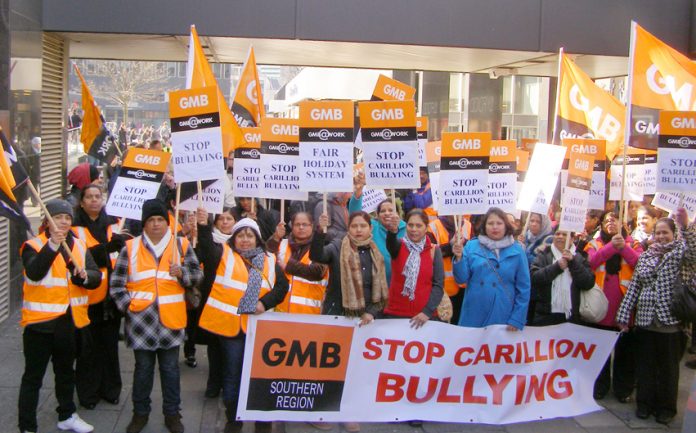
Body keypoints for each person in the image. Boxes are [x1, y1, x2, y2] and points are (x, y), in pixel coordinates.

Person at [110, 199, 203, 433]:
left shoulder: (180, 245)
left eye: (160, 219)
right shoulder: (130, 248)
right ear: (144, 223)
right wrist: (128, 306)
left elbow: (197, 275)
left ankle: (172, 414)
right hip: (141, 322)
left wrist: (182, 273)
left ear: (167, 221)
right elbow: (117, 285)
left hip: (171, 321)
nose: (156, 224)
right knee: (142, 371)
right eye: (151, 220)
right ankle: (140, 414)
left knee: (170, 370)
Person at [197, 218, 288, 433]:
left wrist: (264, 303)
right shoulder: (223, 255)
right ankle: (234, 419)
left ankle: (262, 422)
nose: (245, 240)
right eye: (240, 235)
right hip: (232, 329)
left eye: (249, 235)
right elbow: (206, 247)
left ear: (257, 239)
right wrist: (203, 226)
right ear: (233, 239)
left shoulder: (269, 259)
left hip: (260, 330)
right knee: (233, 375)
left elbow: (283, 287)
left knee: (260, 377)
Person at [18, 199, 102, 433]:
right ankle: (27, 426)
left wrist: (85, 277)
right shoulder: (32, 245)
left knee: (66, 372)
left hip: (69, 323)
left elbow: (96, 276)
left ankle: (67, 415)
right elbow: (35, 273)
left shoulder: (79, 246)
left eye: (67, 218)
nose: (64, 221)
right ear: (47, 221)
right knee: (33, 378)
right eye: (58, 217)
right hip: (40, 325)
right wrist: (52, 246)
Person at [309, 211, 387, 433]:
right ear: (348, 228)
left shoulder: (375, 251)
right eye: (354, 226)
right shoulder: (336, 247)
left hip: (362, 319)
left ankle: (347, 412)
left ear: (370, 228)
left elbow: (378, 288)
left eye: (363, 226)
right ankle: (323, 409)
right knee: (330, 366)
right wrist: (318, 232)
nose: (359, 230)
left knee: (354, 368)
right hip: (336, 314)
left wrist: (371, 312)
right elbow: (317, 255)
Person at [616, 209, 696, 424]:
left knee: (668, 370)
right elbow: (634, 287)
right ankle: (645, 404)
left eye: (665, 233)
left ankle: (666, 408)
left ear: (673, 234)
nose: (661, 237)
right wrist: (624, 315)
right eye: (658, 233)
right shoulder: (645, 256)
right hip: (645, 322)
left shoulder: (680, 253)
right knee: (646, 367)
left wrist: (685, 226)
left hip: (669, 323)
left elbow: (694, 253)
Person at [71, 185, 129, 410]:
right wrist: (106, 250)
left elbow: (119, 257)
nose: (95, 200)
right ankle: (88, 393)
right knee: (87, 350)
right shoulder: (74, 228)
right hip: (86, 298)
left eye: (98, 196)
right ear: (82, 202)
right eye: (89, 197)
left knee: (109, 347)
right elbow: (79, 258)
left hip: (110, 297)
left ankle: (111, 389)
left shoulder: (114, 224)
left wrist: (117, 247)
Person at [585, 210, 642, 403]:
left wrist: (623, 248)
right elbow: (591, 262)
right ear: (601, 225)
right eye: (607, 220)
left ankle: (623, 389)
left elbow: (640, 263)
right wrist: (611, 247)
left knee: (625, 353)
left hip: (625, 308)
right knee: (600, 352)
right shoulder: (594, 243)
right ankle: (599, 387)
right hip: (600, 308)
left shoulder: (633, 244)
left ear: (623, 223)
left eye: (615, 219)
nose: (611, 223)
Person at [452, 207, 530, 330]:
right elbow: (461, 278)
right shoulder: (472, 246)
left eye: (499, 223)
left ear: (506, 226)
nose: (495, 227)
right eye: (490, 223)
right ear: (484, 226)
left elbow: (524, 288)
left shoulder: (517, 251)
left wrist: (517, 319)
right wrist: (459, 258)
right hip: (474, 314)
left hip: (503, 313)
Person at [190, 207, 236, 399]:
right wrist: (203, 226)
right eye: (221, 219)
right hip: (214, 303)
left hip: (234, 305)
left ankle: (229, 384)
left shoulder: (242, 242)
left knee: (230, 349)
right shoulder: (211, 243)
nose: (225, 222)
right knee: (214, 347)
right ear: (215, 223)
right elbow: (205, 249)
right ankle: (213, 384)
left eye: (229, 218)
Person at [383, 209, 444, 326]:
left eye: (418, 225)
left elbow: (438, 285)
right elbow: (390, 243)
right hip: (396, 315)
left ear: (426, 228)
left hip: (425, 317)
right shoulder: (398, 246)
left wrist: (427, 312)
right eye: (410, 225)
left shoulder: (434, 251)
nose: (414, 229)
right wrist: (392, 231)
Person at [267, 212, 329, 314]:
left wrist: (288, 266)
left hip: (309, 315)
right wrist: (275, 238)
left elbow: (318, 271)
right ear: (292, 226)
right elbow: (266, 257)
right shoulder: (282, 244)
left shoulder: (320, 248)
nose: (301, 227)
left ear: (312, 226)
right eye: (297, 224)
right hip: (280, 314)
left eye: (305, 224)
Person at [530, 230, 595, 325]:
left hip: (571, 317)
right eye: (557, 234)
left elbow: (588, 283)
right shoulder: (544, 254)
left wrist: (573, 263)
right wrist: (556, 267)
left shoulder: (579, 257)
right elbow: (534, 278)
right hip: (545, 316)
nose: (560, 236)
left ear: (572, 239)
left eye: (564, 234)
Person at [428, 215, 472, 324]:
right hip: (442, 287)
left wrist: (464, 243)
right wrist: (450, 246)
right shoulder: (433, 226)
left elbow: (474, 251)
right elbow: (429, 253)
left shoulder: (468, 225)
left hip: (464, 287)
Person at [371, 200, 406, 284]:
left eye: (391, 210)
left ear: (398, 214)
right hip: (379, 285)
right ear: (378, 215)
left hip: (403, 283)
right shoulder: (372, 227)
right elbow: (354, 214)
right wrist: (357, 195)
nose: (387, 213)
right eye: (383, 211)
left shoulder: (408, 229)